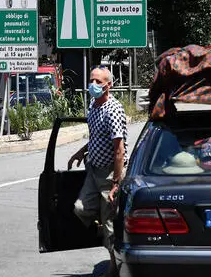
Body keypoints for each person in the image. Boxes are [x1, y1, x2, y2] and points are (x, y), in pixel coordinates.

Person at [68, 67, 128, 277]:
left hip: (110, 172)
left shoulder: (113, 109)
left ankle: (114, 269)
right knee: (80, 208)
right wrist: (80, 152)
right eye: (91, 80)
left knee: (111, 225)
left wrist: (116, 183)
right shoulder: (94, 106)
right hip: (94, 169)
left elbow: (119, 149)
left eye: (98, 81)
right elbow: (96, 138)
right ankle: (102, 227)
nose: (93, 84)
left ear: (108, 85)